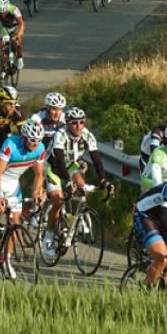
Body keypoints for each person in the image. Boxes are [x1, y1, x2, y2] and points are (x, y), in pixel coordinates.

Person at [40, 107, 115, 261]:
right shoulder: (60, 134)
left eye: (82, 122)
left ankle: (73, 219)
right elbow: (59, 160)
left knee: (82, 188)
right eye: (74, 123)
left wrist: (103, 180)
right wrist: (67, 181)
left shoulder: (87, 134)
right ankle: (48, 236)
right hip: (53, 167)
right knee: (58, 200)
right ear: (67, 123)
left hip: (71, 165)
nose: (78, 126)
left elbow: (96, 159)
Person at [0, 118, 47, 280]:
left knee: (15, 222)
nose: (35, 144)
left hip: (12, 182)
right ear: (23, 137)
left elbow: (39, 174)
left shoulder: (40, 149)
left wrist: (37, 193)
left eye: (38, 140)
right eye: (32, 140)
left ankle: (6, 260)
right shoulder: (11, 145)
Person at [0, 0, 25, 71]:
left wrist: (19, 34)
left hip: (16, 27)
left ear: (7, 9)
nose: (3, 15)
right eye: (1, 13)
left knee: (18, 42)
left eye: (4, 13)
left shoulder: (14, 9)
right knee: (2, 44)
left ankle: (20, 58)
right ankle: (4, 65)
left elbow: (21, 24)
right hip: (6, 28)